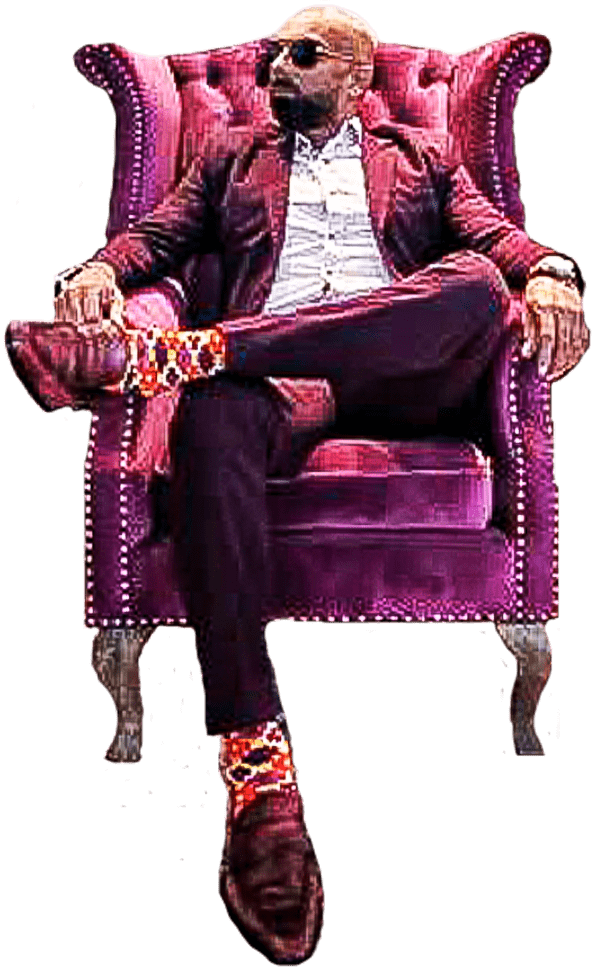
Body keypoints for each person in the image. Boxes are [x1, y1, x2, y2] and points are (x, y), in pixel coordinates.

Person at [31, 5, 590, 965]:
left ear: (360, 76)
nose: (273, 68)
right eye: (270, 56)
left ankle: (198, 350)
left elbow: (496, 239)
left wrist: (551, 271)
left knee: (469, 284)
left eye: (302, 54)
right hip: (280, 388)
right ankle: (258, 776)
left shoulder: (424, 156)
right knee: (209, 415)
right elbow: (154, 238)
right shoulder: (230, 158)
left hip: (405, 383)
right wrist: (95, 270)